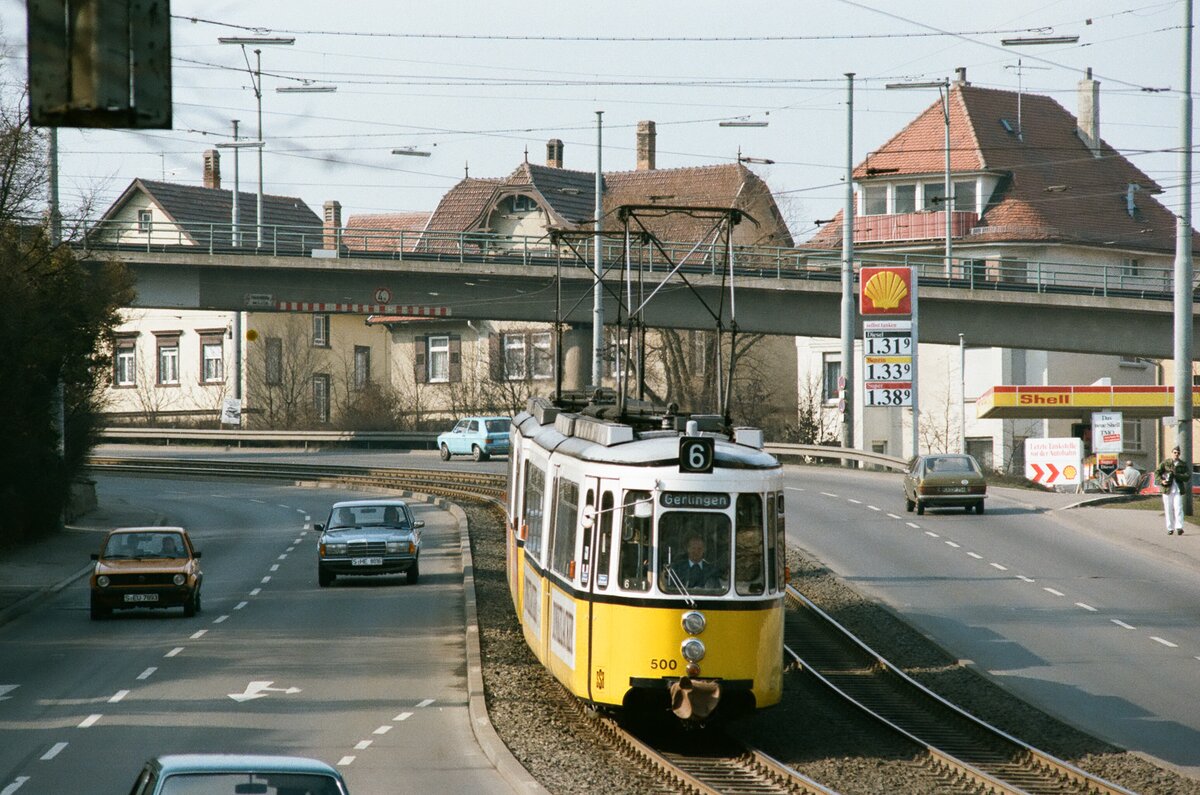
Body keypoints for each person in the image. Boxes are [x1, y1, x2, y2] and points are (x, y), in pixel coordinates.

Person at [1155, 446, 1191, 536]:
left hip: (1177, 489)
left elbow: (1187, 476)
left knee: (1178, 507)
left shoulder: (1182, 464)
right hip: (1167, 489)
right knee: (1168, 509)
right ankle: (1170, 528)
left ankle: (1179, 527)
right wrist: (1161, 481)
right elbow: (1157, 472)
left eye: (1178, 453)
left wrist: (1177, 475)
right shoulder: (1166, 463)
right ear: (1172, 453)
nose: (1176, 454)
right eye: (1175, 452)